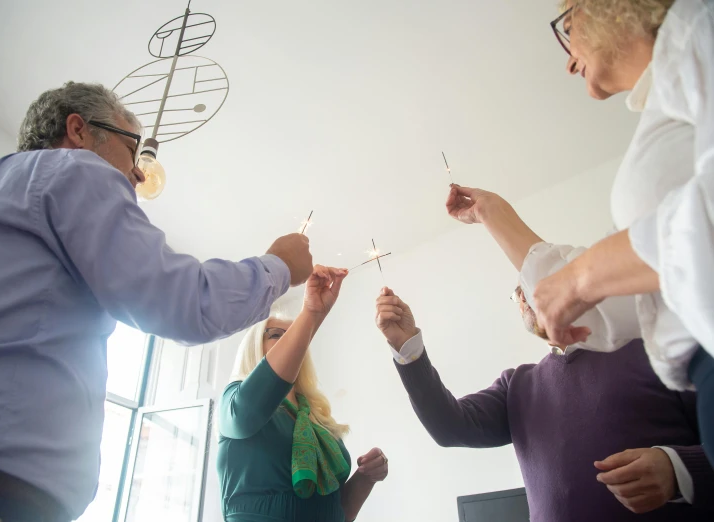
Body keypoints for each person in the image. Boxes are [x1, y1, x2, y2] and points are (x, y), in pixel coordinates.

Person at [0, 82, 314, 522]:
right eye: (132, 149)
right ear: (78, 130)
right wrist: (278, 267)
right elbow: (185, 302)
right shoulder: (73, 169)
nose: (137, 173)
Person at [374, 189, 714, 520]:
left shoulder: (652, 346)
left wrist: (677, 468)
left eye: (528, 286)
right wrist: (408, 347)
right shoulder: (518, 386)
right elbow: (449, 428)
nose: (523, 299)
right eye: (516, 295)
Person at [526, 0, 714, 462]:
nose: (569, 60)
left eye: (567, 26)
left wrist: (582, 277)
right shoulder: (664, 107)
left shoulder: (700, 21)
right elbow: (632, 302)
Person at [218, 265, 388, 522]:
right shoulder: (233, 400)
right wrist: (311, 314)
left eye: (296, 337)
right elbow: (247, 411)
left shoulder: (317, 418)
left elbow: (337, 512)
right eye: (277, 335)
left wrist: (366, 477)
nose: (293, 342)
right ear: (253, 345)